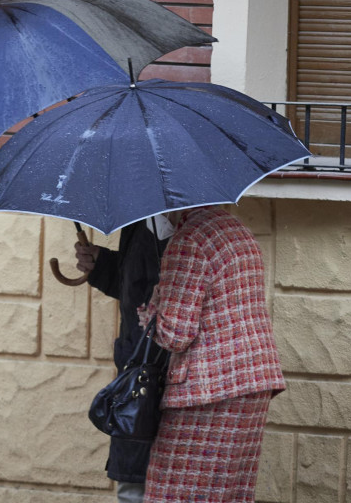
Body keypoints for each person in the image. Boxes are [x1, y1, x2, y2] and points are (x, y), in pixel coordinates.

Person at [137, 206, 285, 503]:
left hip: (206, 390)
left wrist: (151, 312)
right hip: (253, 382)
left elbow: (176, 334)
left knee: (174, 492)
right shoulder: (234, 228)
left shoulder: (187, 240)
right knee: (230, 493)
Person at [75, 216, 172, 503]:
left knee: (168, 482)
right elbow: (133, 283)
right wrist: (100, 263)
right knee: (133, 485)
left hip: (171, 373)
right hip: (136, 374)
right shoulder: (139, 220)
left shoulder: (189, 222)